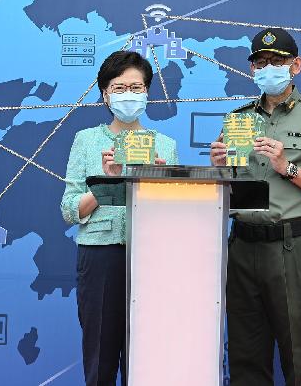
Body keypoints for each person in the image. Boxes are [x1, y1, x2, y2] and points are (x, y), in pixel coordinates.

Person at [210, 27, 301, 386]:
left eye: (277, 61)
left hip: (293, 248)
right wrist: (219, 168)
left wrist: (288, 168)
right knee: (245, 361)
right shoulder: (237, 120)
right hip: (242, 246)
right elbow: (231, 189)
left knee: (298, 361)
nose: (268, 67)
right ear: (252, 70)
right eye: (260, 61)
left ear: (296, 66)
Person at [60, 51, 178, 386]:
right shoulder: (86, 141)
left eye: (136, 87)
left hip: (152, 258)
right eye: (119, 87)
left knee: (148, 358)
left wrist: (157, 179)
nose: (129, 94)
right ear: (105, 94)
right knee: (101, 354)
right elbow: (69, 210)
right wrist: (106, 182)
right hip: (100, 257)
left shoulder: (165, 146)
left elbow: (175, 217)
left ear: (147, 93)